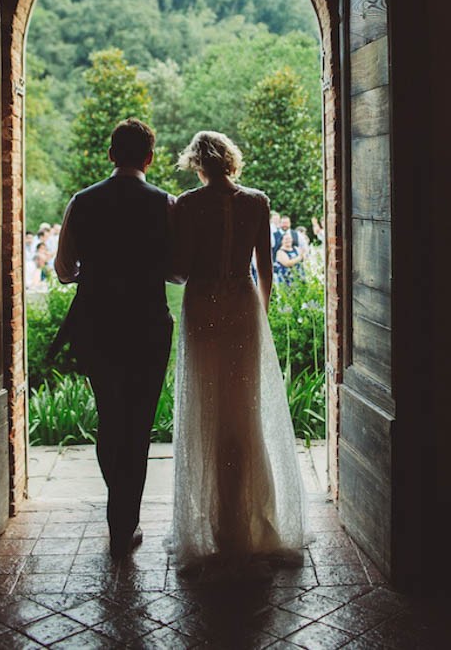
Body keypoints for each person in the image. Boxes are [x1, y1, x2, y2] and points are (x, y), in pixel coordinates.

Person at [169, 130, 306, 578]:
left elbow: (182, 269)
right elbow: (264, 268)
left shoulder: (187, 205)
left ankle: (217, 526)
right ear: (230, 160)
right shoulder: (257, 201)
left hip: (203, 303)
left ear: (198, 164)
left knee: (208, 411)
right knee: (243, 413)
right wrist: (257, 315)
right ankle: (251, 520)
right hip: (243, 305)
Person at [54, 117, 175, 558]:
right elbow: (177, 269)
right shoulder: (165, 203)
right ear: (149, 157)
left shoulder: (81, 202)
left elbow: (64, 270)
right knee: (138, 423)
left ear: (110, 155)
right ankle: (124, 521)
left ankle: (119, 513)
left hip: (97, 324)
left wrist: (92, 272)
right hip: (147, 325)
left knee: (110, 415)